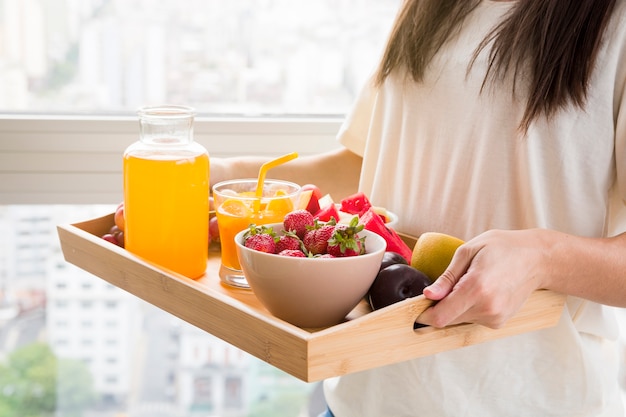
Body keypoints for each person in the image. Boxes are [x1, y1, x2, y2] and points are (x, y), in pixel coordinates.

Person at [210, 0, 626, 415]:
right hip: (362, 397)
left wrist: (544, 258)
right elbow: (368, 164)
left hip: (526, 401)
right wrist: (220, 173)